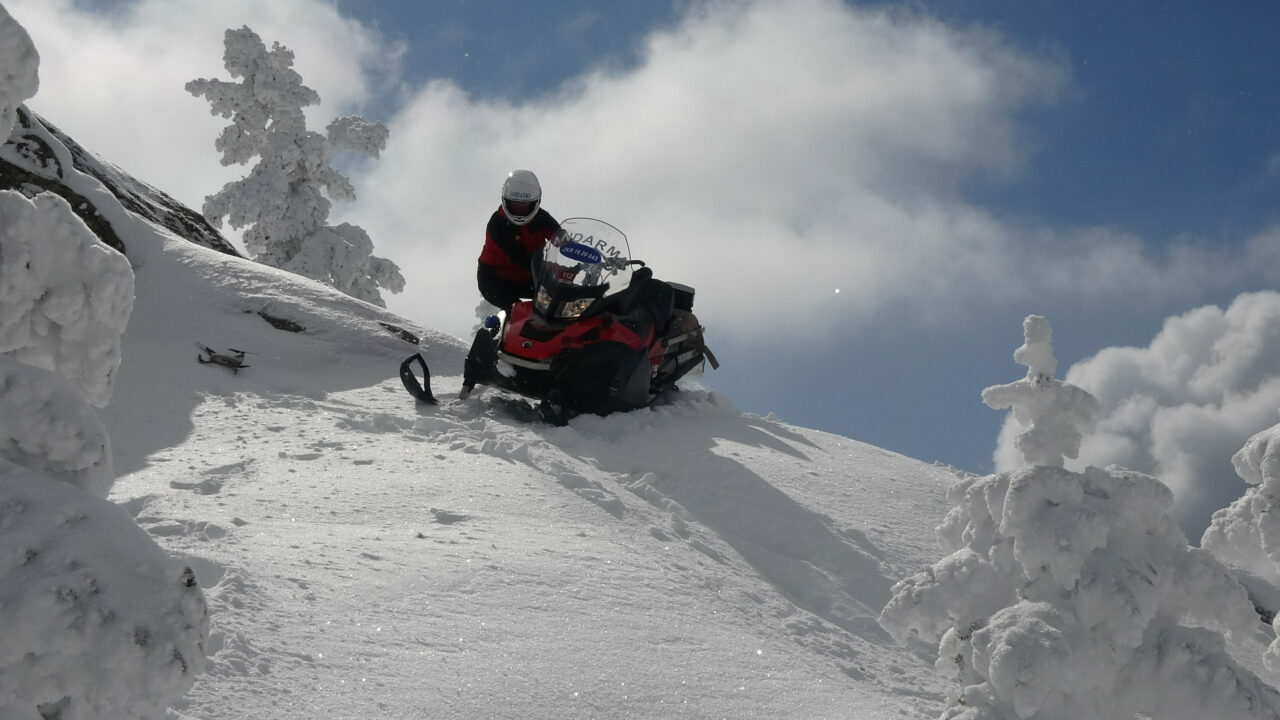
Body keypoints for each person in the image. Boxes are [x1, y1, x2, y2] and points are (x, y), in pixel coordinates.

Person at [477, 169, 560, 311]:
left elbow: (562, 240)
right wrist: (555, 268)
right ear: (506, 201)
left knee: (561, 300)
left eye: (525, 204)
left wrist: (582, 257)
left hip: (529, 276)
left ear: (534, 203)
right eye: (515, 203)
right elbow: (518, 257)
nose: (520, 208)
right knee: (519, 312)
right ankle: (505, 323)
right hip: (495, 280)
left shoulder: (541, 218)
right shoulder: (498, 224)